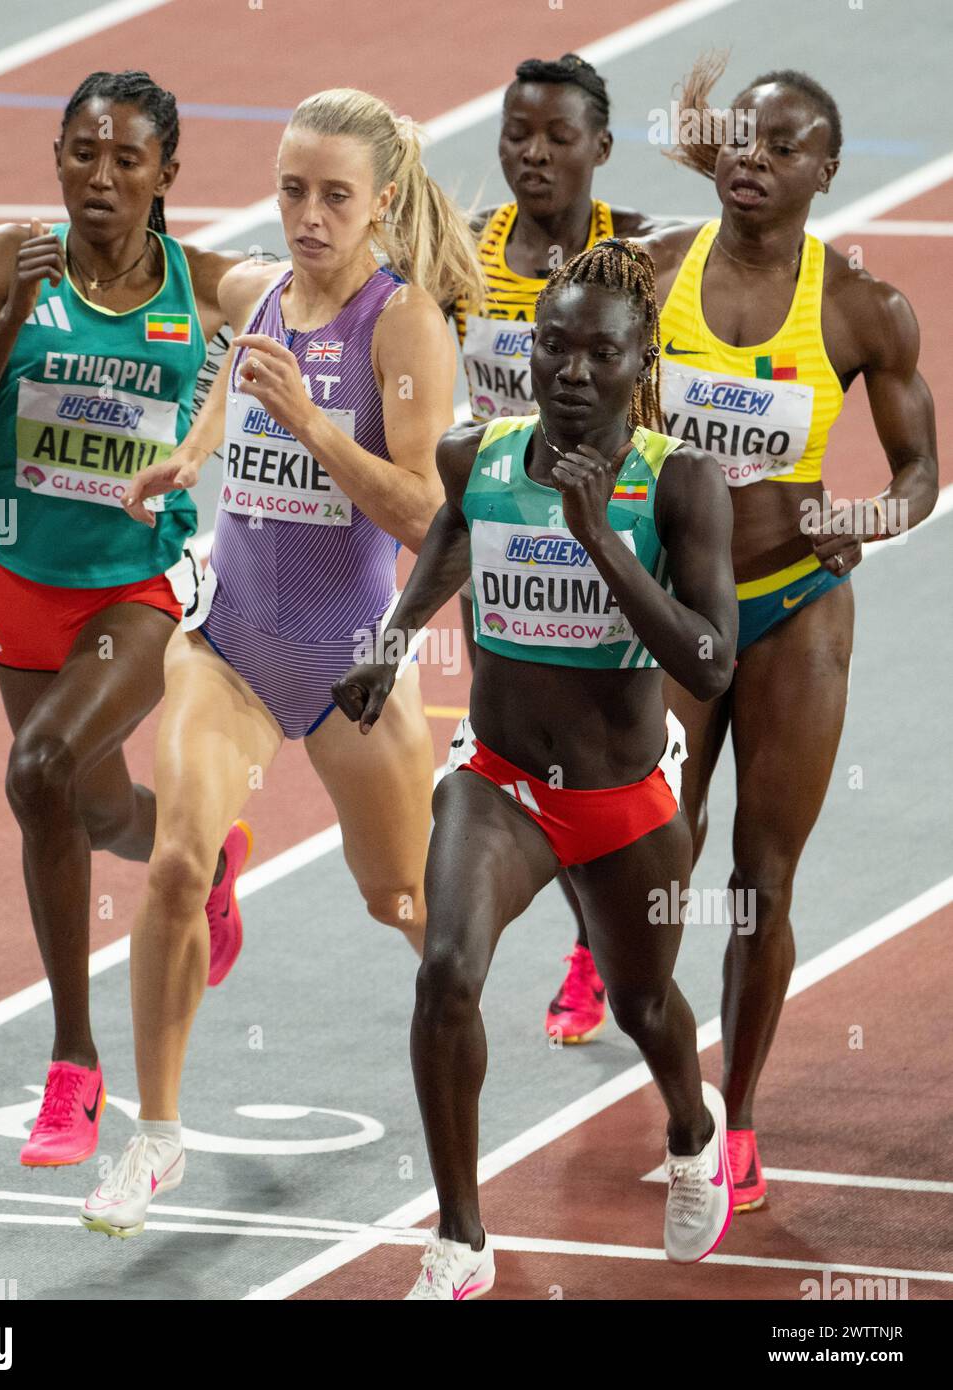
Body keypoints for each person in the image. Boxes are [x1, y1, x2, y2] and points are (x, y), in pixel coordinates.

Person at [78, 88, 485, 1238]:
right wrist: (186, 452)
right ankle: (152, 1135)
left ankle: (581, 1018)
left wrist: (313, 424)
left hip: (353, 663)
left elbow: (423, 517)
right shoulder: (261, 296)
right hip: (234, 645)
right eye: (292, 189)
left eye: (335, 197)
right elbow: (202, 304)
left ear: (382, 203)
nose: (308, 216)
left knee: (402, 901)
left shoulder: (405, 328)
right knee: (172, 867)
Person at [335, 240, 739, 1298]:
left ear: (640, 360)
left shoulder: (682, 485)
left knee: (646, 1005)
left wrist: (601, 538)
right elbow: (449, 539)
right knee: (447, 972)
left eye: (597, 353)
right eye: (550, 345)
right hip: (501, 784)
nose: (568, 370)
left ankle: (695, 1132)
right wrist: (391, 639)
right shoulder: (482, 457)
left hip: (623, 797)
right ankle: (462, 1240)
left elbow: (710, 655)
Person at [0, 71, 248, 1168]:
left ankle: (73, 1066)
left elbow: (327, 305)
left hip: (137, 587)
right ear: (56, 159)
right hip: (22, 583)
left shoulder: (201, 287)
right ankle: (211, 853)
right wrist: (11, 319)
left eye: (127, 160)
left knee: (38, 768)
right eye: (81, 156)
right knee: (96, 812)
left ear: (167, 176)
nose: (100, 179)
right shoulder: (10, 260)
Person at [635, 60, 939, 1211]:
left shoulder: (863, 308)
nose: (753, 156)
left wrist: (865, 516)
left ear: (826, 171)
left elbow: (921, 475)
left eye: (781, 144)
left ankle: (737, 1114)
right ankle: (671, 1082)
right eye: (739, 139)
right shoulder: (656, 272)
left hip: (794, 608)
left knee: (759, 881)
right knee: (653, 857)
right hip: (675, 604)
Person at [450, 52, 661, 1046]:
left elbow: (747, 234)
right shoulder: (467, 253)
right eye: (516, 133)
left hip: (613, 526)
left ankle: (606, 947)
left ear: (600, 150)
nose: (531, 154)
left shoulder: (641, 254)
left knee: (607, 761)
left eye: (556, 137)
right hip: (503, 535)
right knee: (519, 749)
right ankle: (588, 941)